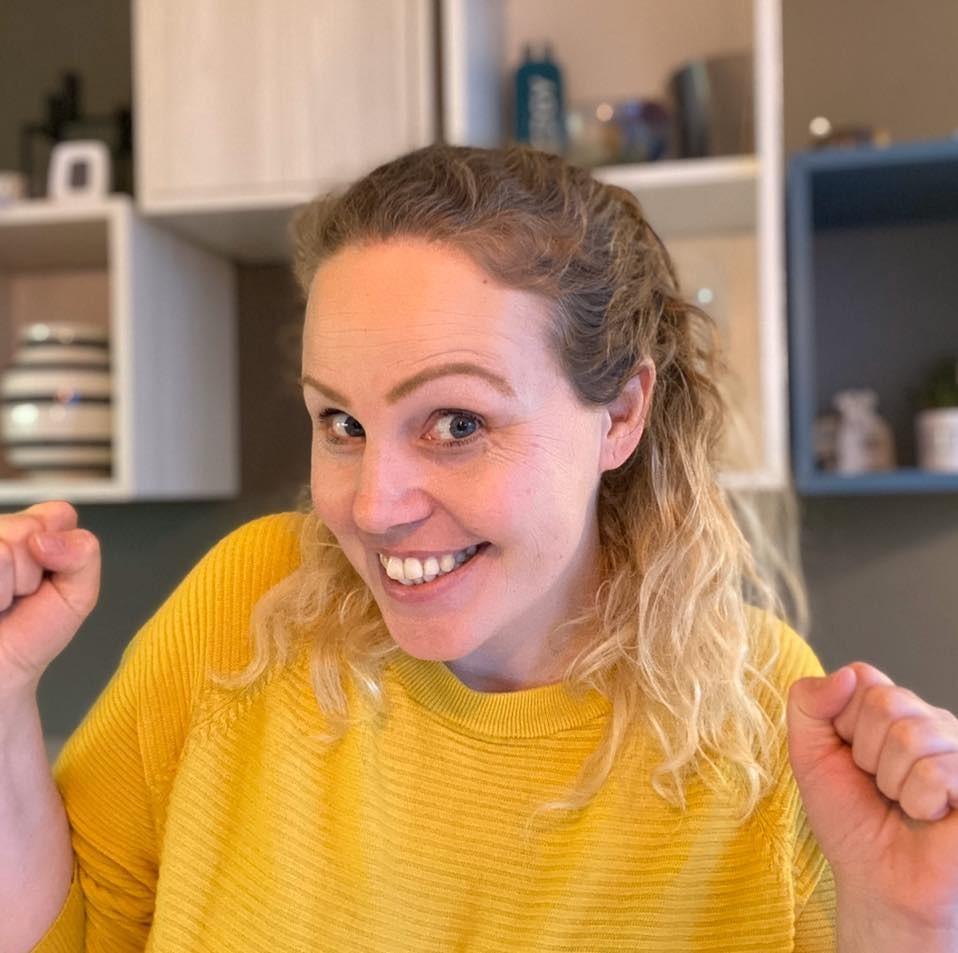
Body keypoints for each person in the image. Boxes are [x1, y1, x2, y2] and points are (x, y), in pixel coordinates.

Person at [2, 144, 956, 952]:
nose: (373, 507)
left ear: (621, 415)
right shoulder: (249, 603)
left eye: (458, 423)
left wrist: (908, 925)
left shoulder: (760, 714)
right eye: (341, 422)